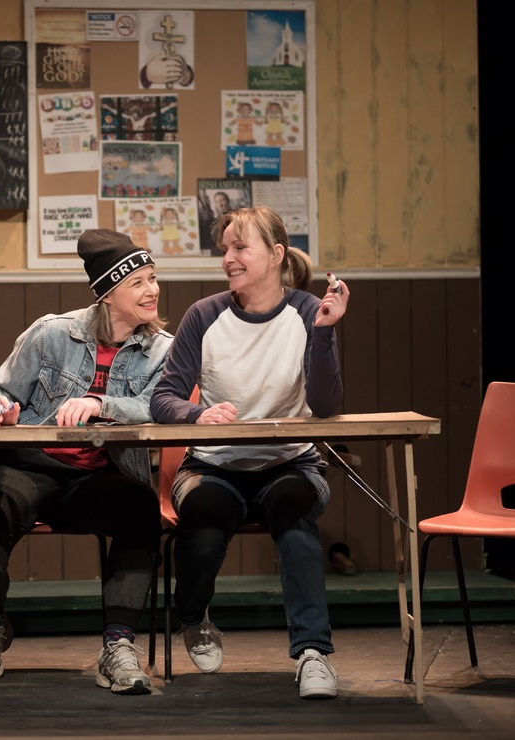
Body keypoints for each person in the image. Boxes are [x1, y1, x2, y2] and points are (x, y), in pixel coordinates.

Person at [0, 229, 172, 695]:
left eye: (153, 278)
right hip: (27, 467)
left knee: (139, 508)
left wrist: (102, 403)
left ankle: (118, 645)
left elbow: (163, 406)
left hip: (95, 477)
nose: (152, 290)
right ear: (109, 294)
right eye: (138, 282)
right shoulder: (51, 333)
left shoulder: (161, 350)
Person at [149, 206, 349, 699]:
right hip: (213, 465)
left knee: (291, 505)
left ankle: (312, 653)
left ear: (276, 255)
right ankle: (193, 617)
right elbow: (164, 397)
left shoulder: (307, 312)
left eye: (241, 248)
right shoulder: (204, 315)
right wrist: (198, 416)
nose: (230, 259)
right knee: (205, 510)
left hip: (291, 463)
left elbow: (325, 406)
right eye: (226, 250)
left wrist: (325, 333)